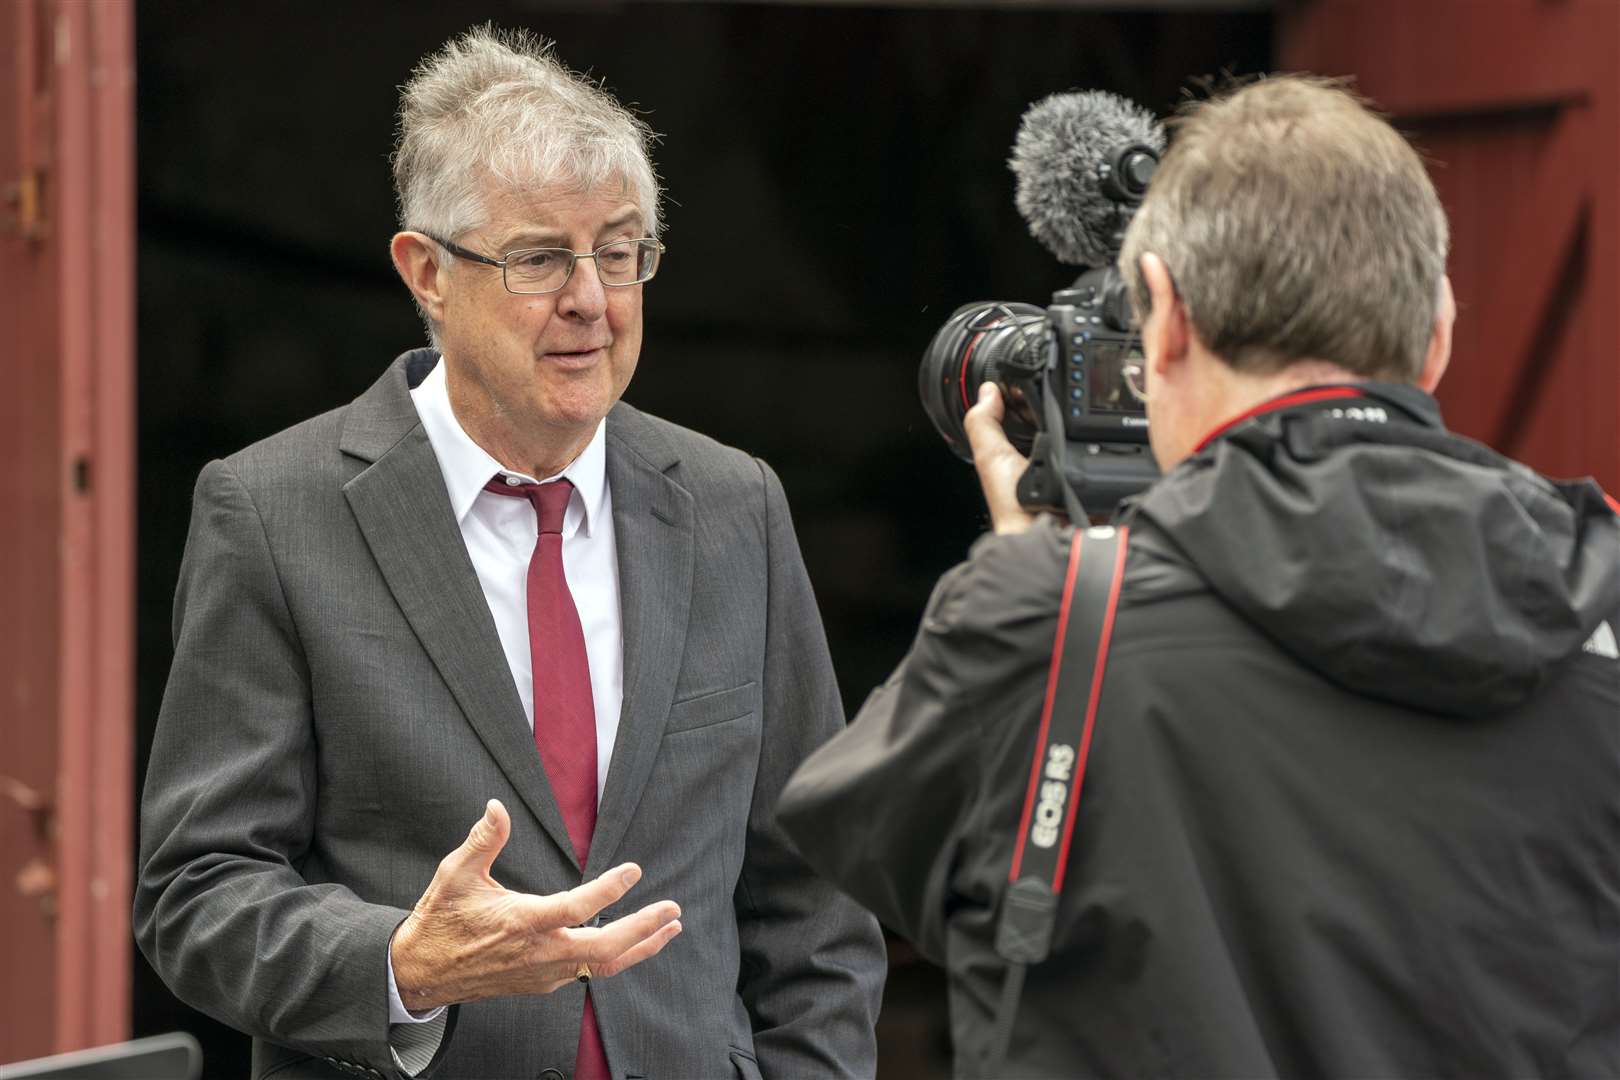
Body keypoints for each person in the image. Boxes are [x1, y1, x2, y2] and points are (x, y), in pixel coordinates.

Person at [779, 75, 1620, 1079]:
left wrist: (1028, 572)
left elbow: (870, 857)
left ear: (1165, 320)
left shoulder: (1043, 618)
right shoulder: (1597, 594)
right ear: (1437, 332)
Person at [135, 26, 884, 1080]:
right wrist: (405, 964)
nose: (590, 297)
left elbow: (815, 895)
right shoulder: (272, 513)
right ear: (427, 273)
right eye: (539, 257)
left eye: (620, 252)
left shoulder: (733, 507)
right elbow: (195, 892)